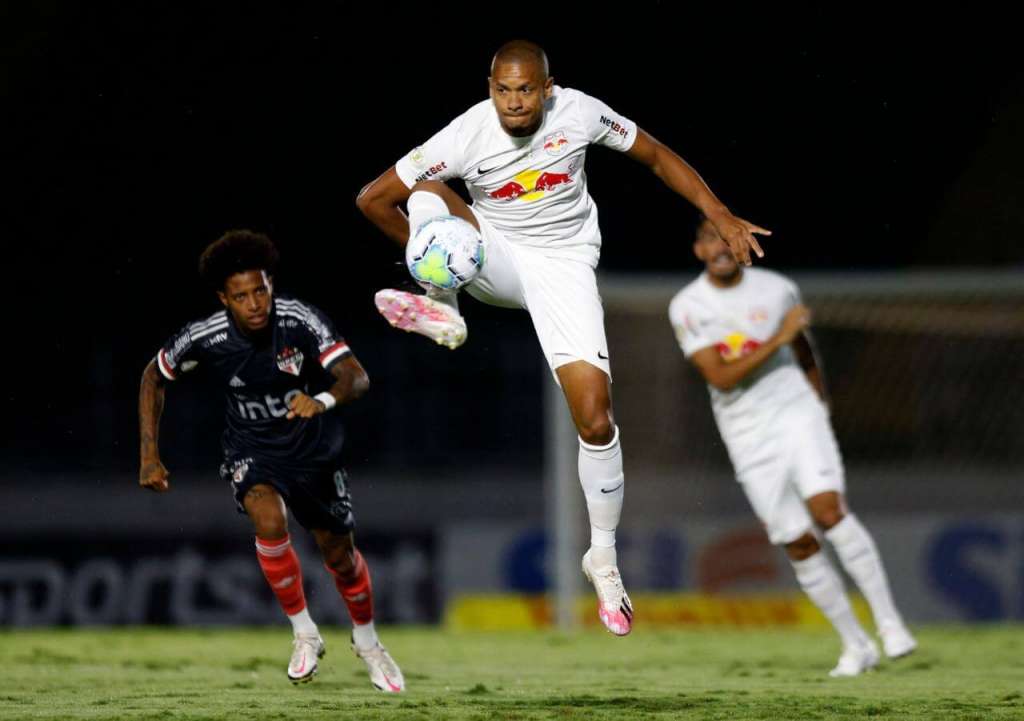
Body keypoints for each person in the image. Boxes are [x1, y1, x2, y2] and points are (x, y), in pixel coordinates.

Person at [356, 39, 770, 636]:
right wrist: (429, 259)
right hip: (489, 253)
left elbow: (654, 155)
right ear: (489, 87)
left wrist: (719, 211)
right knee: (422, 192)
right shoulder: (466, 133)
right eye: (503, 90)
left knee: (596, 419)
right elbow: (372, 199)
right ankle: (440, 302)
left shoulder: (577, 111)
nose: (515, 102)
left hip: (565, 266)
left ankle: (602, 558)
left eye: (526, 90)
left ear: (548, 89)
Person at [138, 230, 404, 692]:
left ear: (270, 285)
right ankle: (304, 632)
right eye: (241, 296)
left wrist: (321, 399)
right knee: (267, 518)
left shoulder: (299, 320)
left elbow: (355, 377)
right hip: (251, 450)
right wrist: (148, 455)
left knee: (340, 557)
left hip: (312, 452)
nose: (254, 303)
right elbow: (152, 376)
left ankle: (368, 642)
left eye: (260, 290)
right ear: (225, 298)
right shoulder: (207, 336)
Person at [668, 218, 917, 676]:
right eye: (710, 239)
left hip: (797, 414)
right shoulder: (687, 306)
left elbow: (802, 352)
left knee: (828, 512)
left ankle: (890, 623)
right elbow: (720, 376)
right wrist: (776, 338)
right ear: (698, 250)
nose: (721, 247)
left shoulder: (778, 288)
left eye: (728, 237)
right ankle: (856, 644)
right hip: (746, 432)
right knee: (795, 540)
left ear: (742, 243)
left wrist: (818, 405)